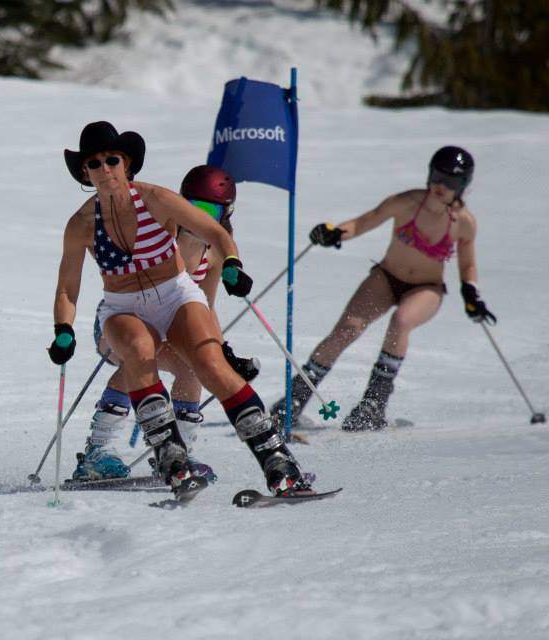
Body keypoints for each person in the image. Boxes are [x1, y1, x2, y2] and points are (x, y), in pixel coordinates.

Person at [50, 121, 311, 496]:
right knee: (140, 351)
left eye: (112, 160)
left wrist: (233, 264)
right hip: (123, 307)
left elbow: (216, 233)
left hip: (175, 295)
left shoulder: (157, 200)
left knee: (209, 364)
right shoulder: (81, 224)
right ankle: (172, 459)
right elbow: (67, 286)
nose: (104, 170)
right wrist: (63, 329)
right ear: (84, 173)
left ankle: (278, 461)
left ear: (127, 164)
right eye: (94, 164)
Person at [270, 146, 494, 431]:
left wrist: (471, 292)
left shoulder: (464, 223)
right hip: (387, 277)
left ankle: (373, 405)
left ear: (462, 186)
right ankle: (293, 401)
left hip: (426, 288)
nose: (441, 186)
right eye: (438, 176)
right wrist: (335, 232)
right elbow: (364, 222)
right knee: (348, 328)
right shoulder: (406, 203)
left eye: (452, 182)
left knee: (400, 322)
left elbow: (468, 265)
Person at [72, 165, 260, 482]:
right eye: (193, 206)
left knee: (191, 368)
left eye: (209, 210)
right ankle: (98, 451)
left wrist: (221, 352)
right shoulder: (163, 231)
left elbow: (204, 306)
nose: (199, 217)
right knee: (144, 354)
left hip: (170, 327)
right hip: (120, 324)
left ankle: (178, 454)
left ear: (226, 211)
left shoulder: (213, 252)